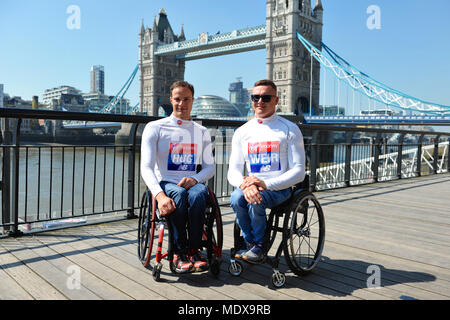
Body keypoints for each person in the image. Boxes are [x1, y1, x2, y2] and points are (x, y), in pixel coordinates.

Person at [227, 79, 306, 263]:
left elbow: (299, 171)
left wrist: (265, 184)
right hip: (251, 187)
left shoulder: (290, 129)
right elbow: (233, 170)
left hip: (279, 189)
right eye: (256, 97)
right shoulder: (242, 132)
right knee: (236, 198)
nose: (260, 101)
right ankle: (250, 243)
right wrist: (244, 185)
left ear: (276, 100)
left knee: (257, 200)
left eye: (266, 97)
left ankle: (259, 245)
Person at [140, 81, 215, 273]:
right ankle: (179, 252)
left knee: (198, 195)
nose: (182, 103)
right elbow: (146, 168)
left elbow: (210, 168)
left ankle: (194, 250)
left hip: (192, 182)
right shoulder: (155, 127)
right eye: (177, 99)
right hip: (166, 183)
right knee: (179, 195)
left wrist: (196, 179)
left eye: (186, 99)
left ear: (193, 101)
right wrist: (159, 195)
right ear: (171, 100)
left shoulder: (202, 132)